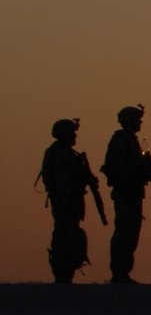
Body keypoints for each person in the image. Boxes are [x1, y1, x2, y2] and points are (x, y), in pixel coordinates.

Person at [40, 118, 100, 283]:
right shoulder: (58, 154)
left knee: (70, 233)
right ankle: (62, 272)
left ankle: (66, 270)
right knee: (64, 234)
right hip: (65, 201)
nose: (75, 136)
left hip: (72, 200)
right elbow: (61, 179)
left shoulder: (67, 153)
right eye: (72, 132)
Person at [100, 105, 151, 284]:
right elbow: (119, 169)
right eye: (137, 120)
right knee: (125, 230)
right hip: (126, 191)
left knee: (131, 230)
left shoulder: (130, 140)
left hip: (133, 191)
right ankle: (119, 271)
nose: (140, 123)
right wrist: (141, 164)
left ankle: (123, 271)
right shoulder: (121, 141)